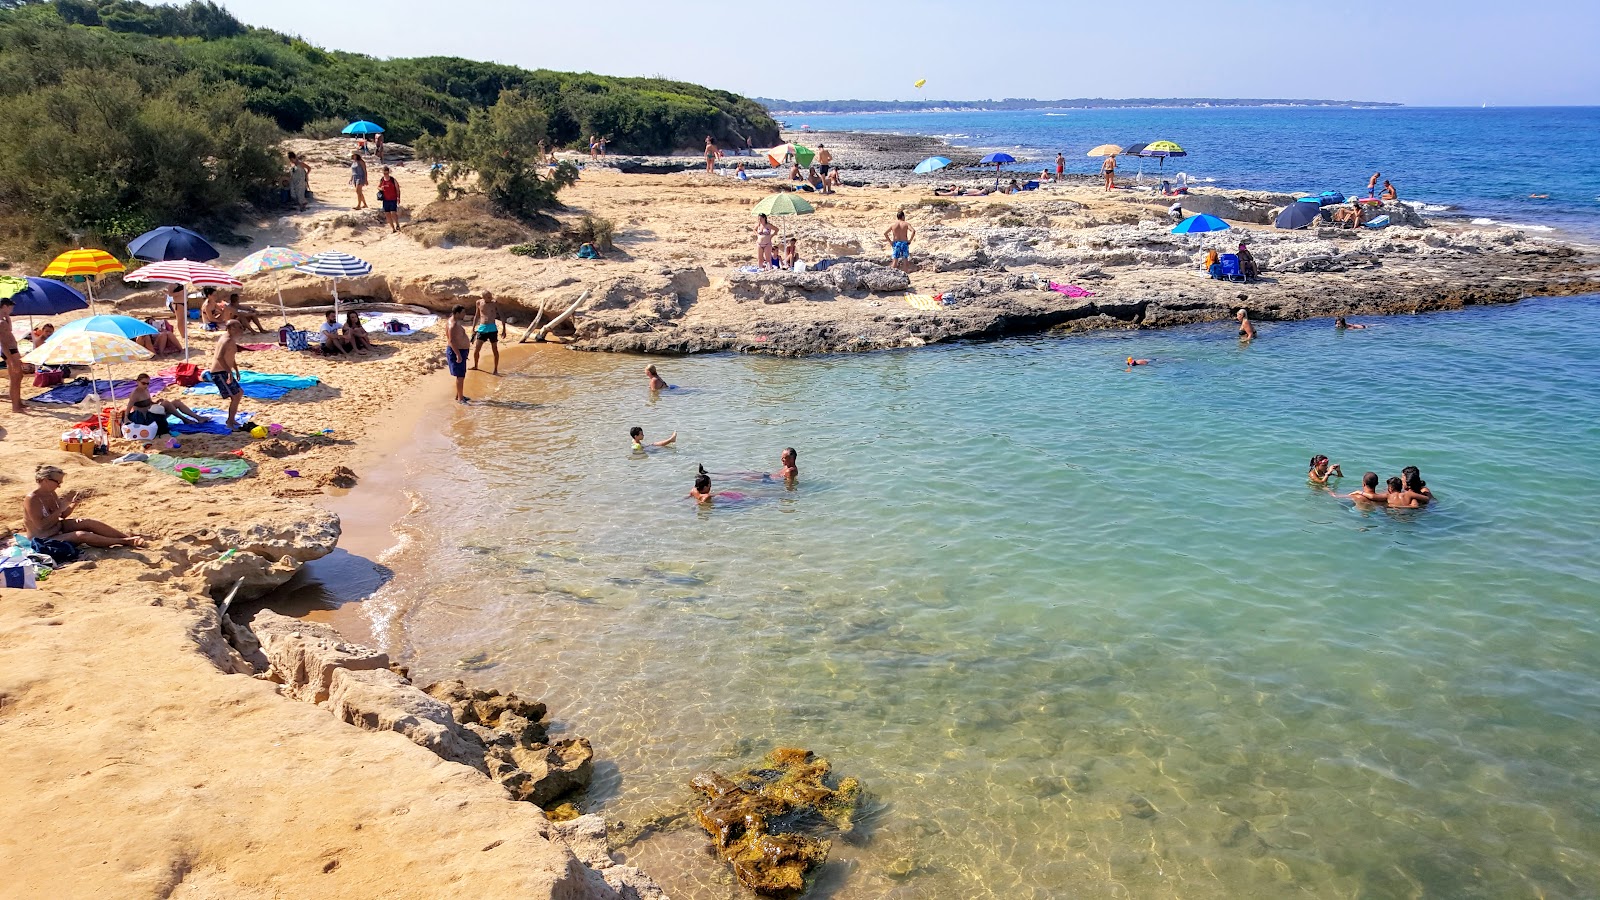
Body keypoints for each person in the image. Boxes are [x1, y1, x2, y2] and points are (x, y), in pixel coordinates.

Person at [25, 465, 146, 550]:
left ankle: (127, 538)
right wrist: (60, 509)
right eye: (58, 482)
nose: (59, 486)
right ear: (45, 480)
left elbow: (63, 515)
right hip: (43, 538)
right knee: (82, 535)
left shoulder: (51, 493)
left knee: (87, 522)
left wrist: (73, 504)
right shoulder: (32, 499)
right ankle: (123, 542)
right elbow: (41, 526)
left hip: (57, 527)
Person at [126, 372, 204, 432]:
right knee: (166, 403)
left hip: (153, 414)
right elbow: (128, 408)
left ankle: (198, 418)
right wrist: (126, 419)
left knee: (176, 402)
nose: (146, 385)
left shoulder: (146, 390)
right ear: (137, 382)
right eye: (143, 383)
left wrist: (156, 402)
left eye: (147, 383)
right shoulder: (135, 394)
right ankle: (185, 419)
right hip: (145, 419)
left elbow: (149, 403)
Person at [209, 320, 245, 431]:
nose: (241, 329)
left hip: (225, 371)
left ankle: (232, 419)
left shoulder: (231, 340)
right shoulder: (226, 340)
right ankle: (229, 422)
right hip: (219, 373)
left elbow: (230, 356)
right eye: (238, 327)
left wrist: (236, 369)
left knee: (239, 394)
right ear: (231, 328)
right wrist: (229, 372)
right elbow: (220, 357)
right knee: (235, 396)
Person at [0, 298, 23, 413]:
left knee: (18, 377)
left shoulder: (3, 320)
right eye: (10, 307)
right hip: (9, 350)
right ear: (4, 306)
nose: (11, 309)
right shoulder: (1, 322)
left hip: (10, 349)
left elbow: (9, 330)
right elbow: (3, 343)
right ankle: (15, 406)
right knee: (15, 378)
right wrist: (10, 359)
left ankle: (18, 402)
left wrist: (7, 316)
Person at [472, 291, 502, 374]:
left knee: (495, 349)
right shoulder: (478, 302)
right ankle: (476, 365)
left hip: (492, 328)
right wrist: (473, 327)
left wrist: (504, 329)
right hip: (482, 328)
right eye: (488, 297)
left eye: (491, 296)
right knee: (477, 349)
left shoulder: (494, 303)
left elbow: (501, 314)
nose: (490, 298)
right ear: (483, 297)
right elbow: (477, 315)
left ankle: (495, 369)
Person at [446, 304, 470, 404]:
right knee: (460, 376)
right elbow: (451, 340)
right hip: (457, 351)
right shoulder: (453, 324)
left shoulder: (453, 321)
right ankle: (460, 399)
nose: (465, 314)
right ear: (457, 313)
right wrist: (458, 355)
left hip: (460, 350)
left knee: (461, 375)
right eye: (463, 312)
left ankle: (459, 395)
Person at [377, 166, 401, 233]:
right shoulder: (382, 179)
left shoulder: (393, 180)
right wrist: (380, 188)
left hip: (393, 199)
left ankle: (397, 225)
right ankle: (393, 228)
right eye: (384, 173)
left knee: (393, 213)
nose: (385, 175)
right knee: (387, 214)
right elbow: (378, 187)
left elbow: (397, 189)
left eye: (386, 173)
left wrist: (398, 197)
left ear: (388, 172)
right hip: (385, 199)